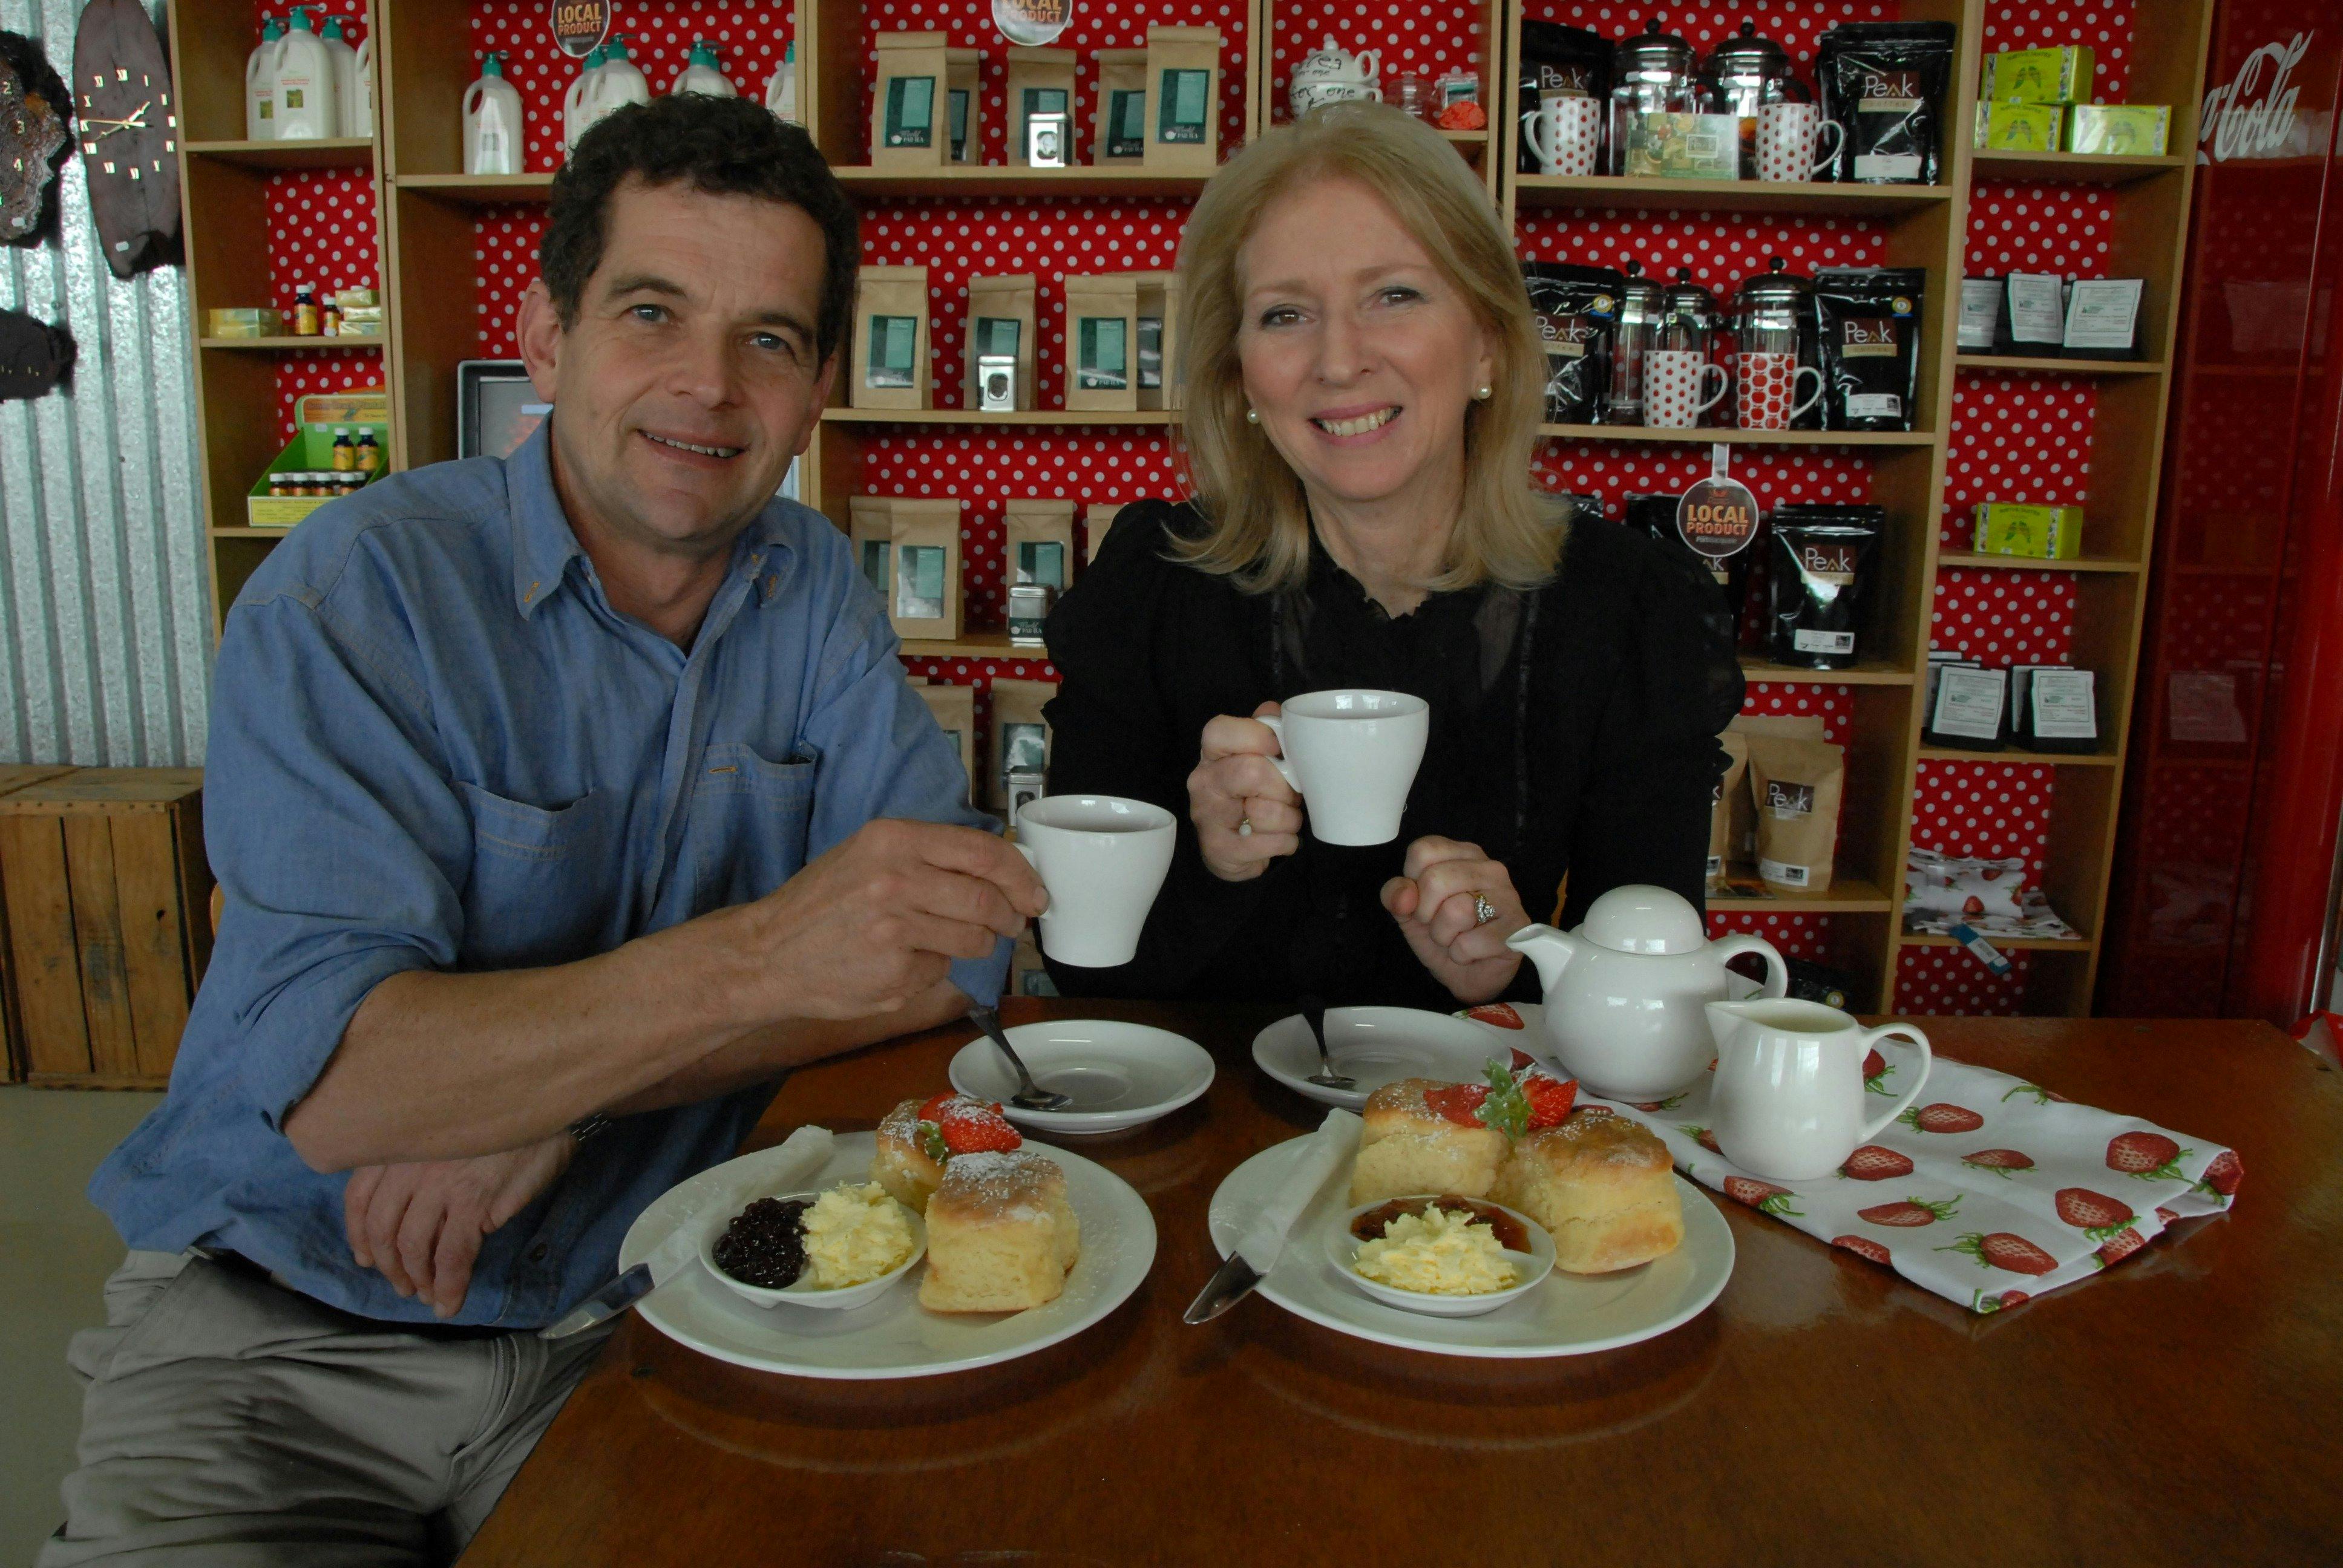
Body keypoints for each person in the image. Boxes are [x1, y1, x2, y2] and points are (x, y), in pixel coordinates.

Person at [42, 96, 1044, 1567]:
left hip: (647, 1318)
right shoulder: (353, 597)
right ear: (547, 336)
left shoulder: (812, 583)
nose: (707, 387)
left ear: (823, 380)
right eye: (653, 311)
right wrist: (773, 953)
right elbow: (346, 1089)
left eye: (768, 338)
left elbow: (950, 961)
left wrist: (552, 1107)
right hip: (278, 1331)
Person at [1042, 103, 1744, 1011]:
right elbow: (1081, 976)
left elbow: (1659, 1000)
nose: (1338, 361)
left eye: (1395, 296)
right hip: (1209, 1128)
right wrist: (1213, 867)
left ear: (1488, 340)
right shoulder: (1153, 585)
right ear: (1239, 373)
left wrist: (1515, 965)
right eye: (1285, 313)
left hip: (1488, 1134)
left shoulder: (1626, 608)